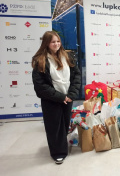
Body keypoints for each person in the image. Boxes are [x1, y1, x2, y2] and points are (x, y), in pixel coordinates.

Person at [32, 31, 81, 164]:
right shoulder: (40, 60)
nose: (56, 44)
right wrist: (60, 97)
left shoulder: (67, 56)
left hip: (67, 98)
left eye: (58, 41)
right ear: (47, 43)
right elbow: (40, 86)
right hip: (51, 100)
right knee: (54, 127)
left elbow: (76, 75)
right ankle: (58, 152)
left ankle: (60, 145)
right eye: (53, 42)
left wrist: (70, 95)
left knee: (64, 125)